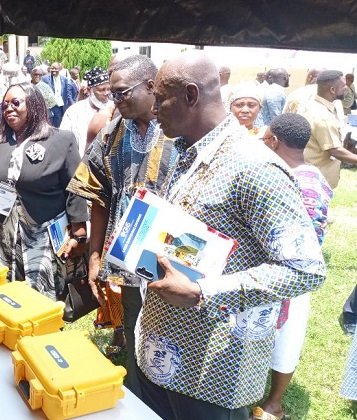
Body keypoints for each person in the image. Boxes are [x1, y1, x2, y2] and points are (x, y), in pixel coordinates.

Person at [139, 51, 325, 419]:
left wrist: (204, 291)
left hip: (211, 377)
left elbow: (306, 268)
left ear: (191, 96)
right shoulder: (184, 152)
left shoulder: (254, 167)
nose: (153, 110)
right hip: (161, 355)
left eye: (160, 100)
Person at [67, 54, 177, 399]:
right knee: (133, 325)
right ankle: (137, 395)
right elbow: (98, 198)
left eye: (121, 93)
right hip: (127, 257)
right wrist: (96, 254)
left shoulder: (180, 132)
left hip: (172, 257)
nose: (114, 101)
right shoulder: (111, 134)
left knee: (171, 334)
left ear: (150, 87)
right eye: (111, 94)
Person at [0, 82, 88, 300]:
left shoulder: (61, 140)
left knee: (42, 296)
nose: (9, 109)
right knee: (8, 294)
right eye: (4, 106)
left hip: (44, 232)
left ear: (34, 105)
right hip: (5, 230)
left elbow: (76, 188)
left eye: (16, 103)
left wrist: (79, 233)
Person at [252, 113, 332, 420]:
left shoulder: (287, 178)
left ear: (273, 141)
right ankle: (270, 398)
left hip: (286, 274)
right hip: (297, 274)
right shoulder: (315, 176)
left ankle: (274, 404)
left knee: (284, 338)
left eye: (264, 139)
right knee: (286, 336)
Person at [300, 70, 357, 189]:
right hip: (317, 182)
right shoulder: (323, 116)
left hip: (311, 176)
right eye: (343, 86)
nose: (346, 88)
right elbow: (335, 151)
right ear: (332, 90)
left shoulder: (314, 105)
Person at [60, 67, 113, 156]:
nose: (106, 93)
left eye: (108, 89)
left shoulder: (115, 108)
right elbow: (63, 140)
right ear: (89, 90)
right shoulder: (74, 111)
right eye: (101, 90)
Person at [42, 62, 76, 127]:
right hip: (49, 107)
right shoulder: (45, 79)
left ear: (60, 69)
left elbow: (68, 93)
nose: (53, 70)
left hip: (60, 106)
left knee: (58, 125)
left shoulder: (64, 79)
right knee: (49, 125)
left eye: (55, 68)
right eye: (52, 68)